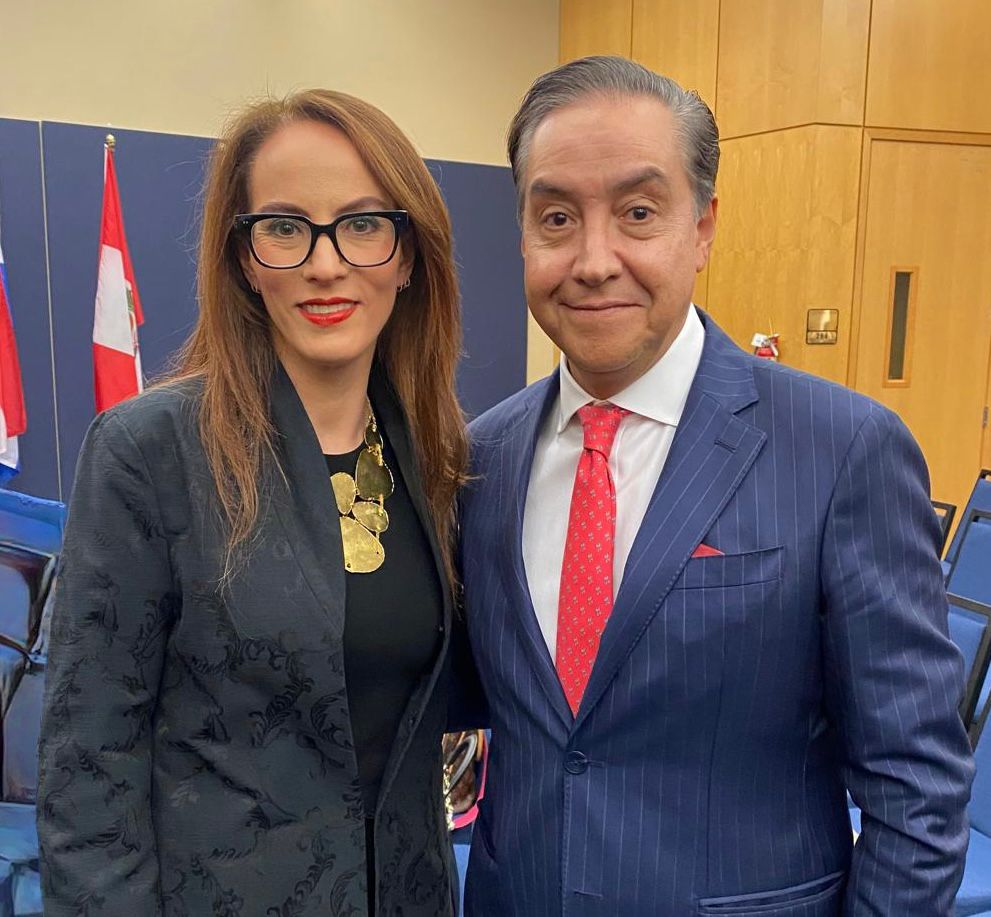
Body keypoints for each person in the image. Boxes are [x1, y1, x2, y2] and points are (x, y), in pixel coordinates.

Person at [459, 56, 973, 916]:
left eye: (637, 212)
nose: (593, 259)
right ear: (521, 235)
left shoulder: (841, 449)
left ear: (701, 227)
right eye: (556, 218)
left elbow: (916, 788)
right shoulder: (482, 458)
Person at [37, 88, 468, 916]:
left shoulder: (436, 451)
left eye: (362, 224)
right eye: (284, 227)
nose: (324, 263)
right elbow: (89, 766)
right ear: (243, 257)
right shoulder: (150, 452)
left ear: (409, 255)